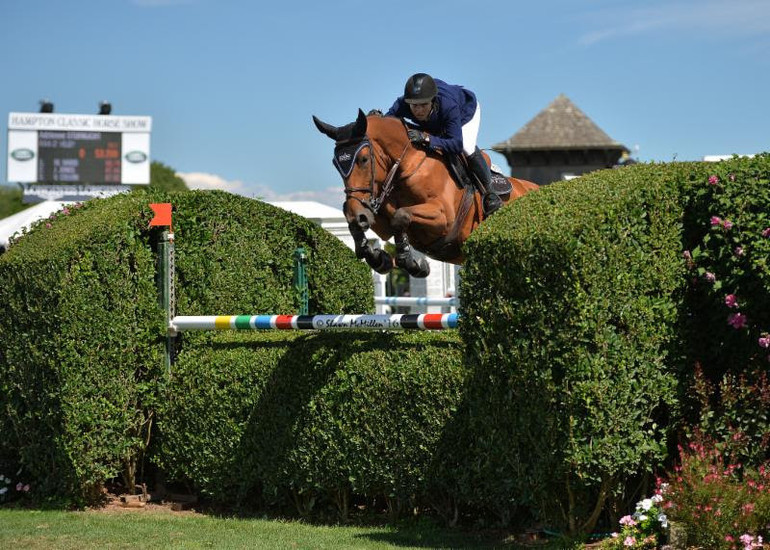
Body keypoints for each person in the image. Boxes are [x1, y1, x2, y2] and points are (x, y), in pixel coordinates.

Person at [385, 73, 502, 216]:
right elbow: (387, 124)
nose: (419, 110)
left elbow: (456, 144)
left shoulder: (448, 106)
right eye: (414, 106)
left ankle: (490, 193)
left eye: (423, 105)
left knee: (467, 146)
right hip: (436, 121)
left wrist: (427, 139)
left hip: (465, 113)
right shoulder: (402, 104)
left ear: (433, 101)